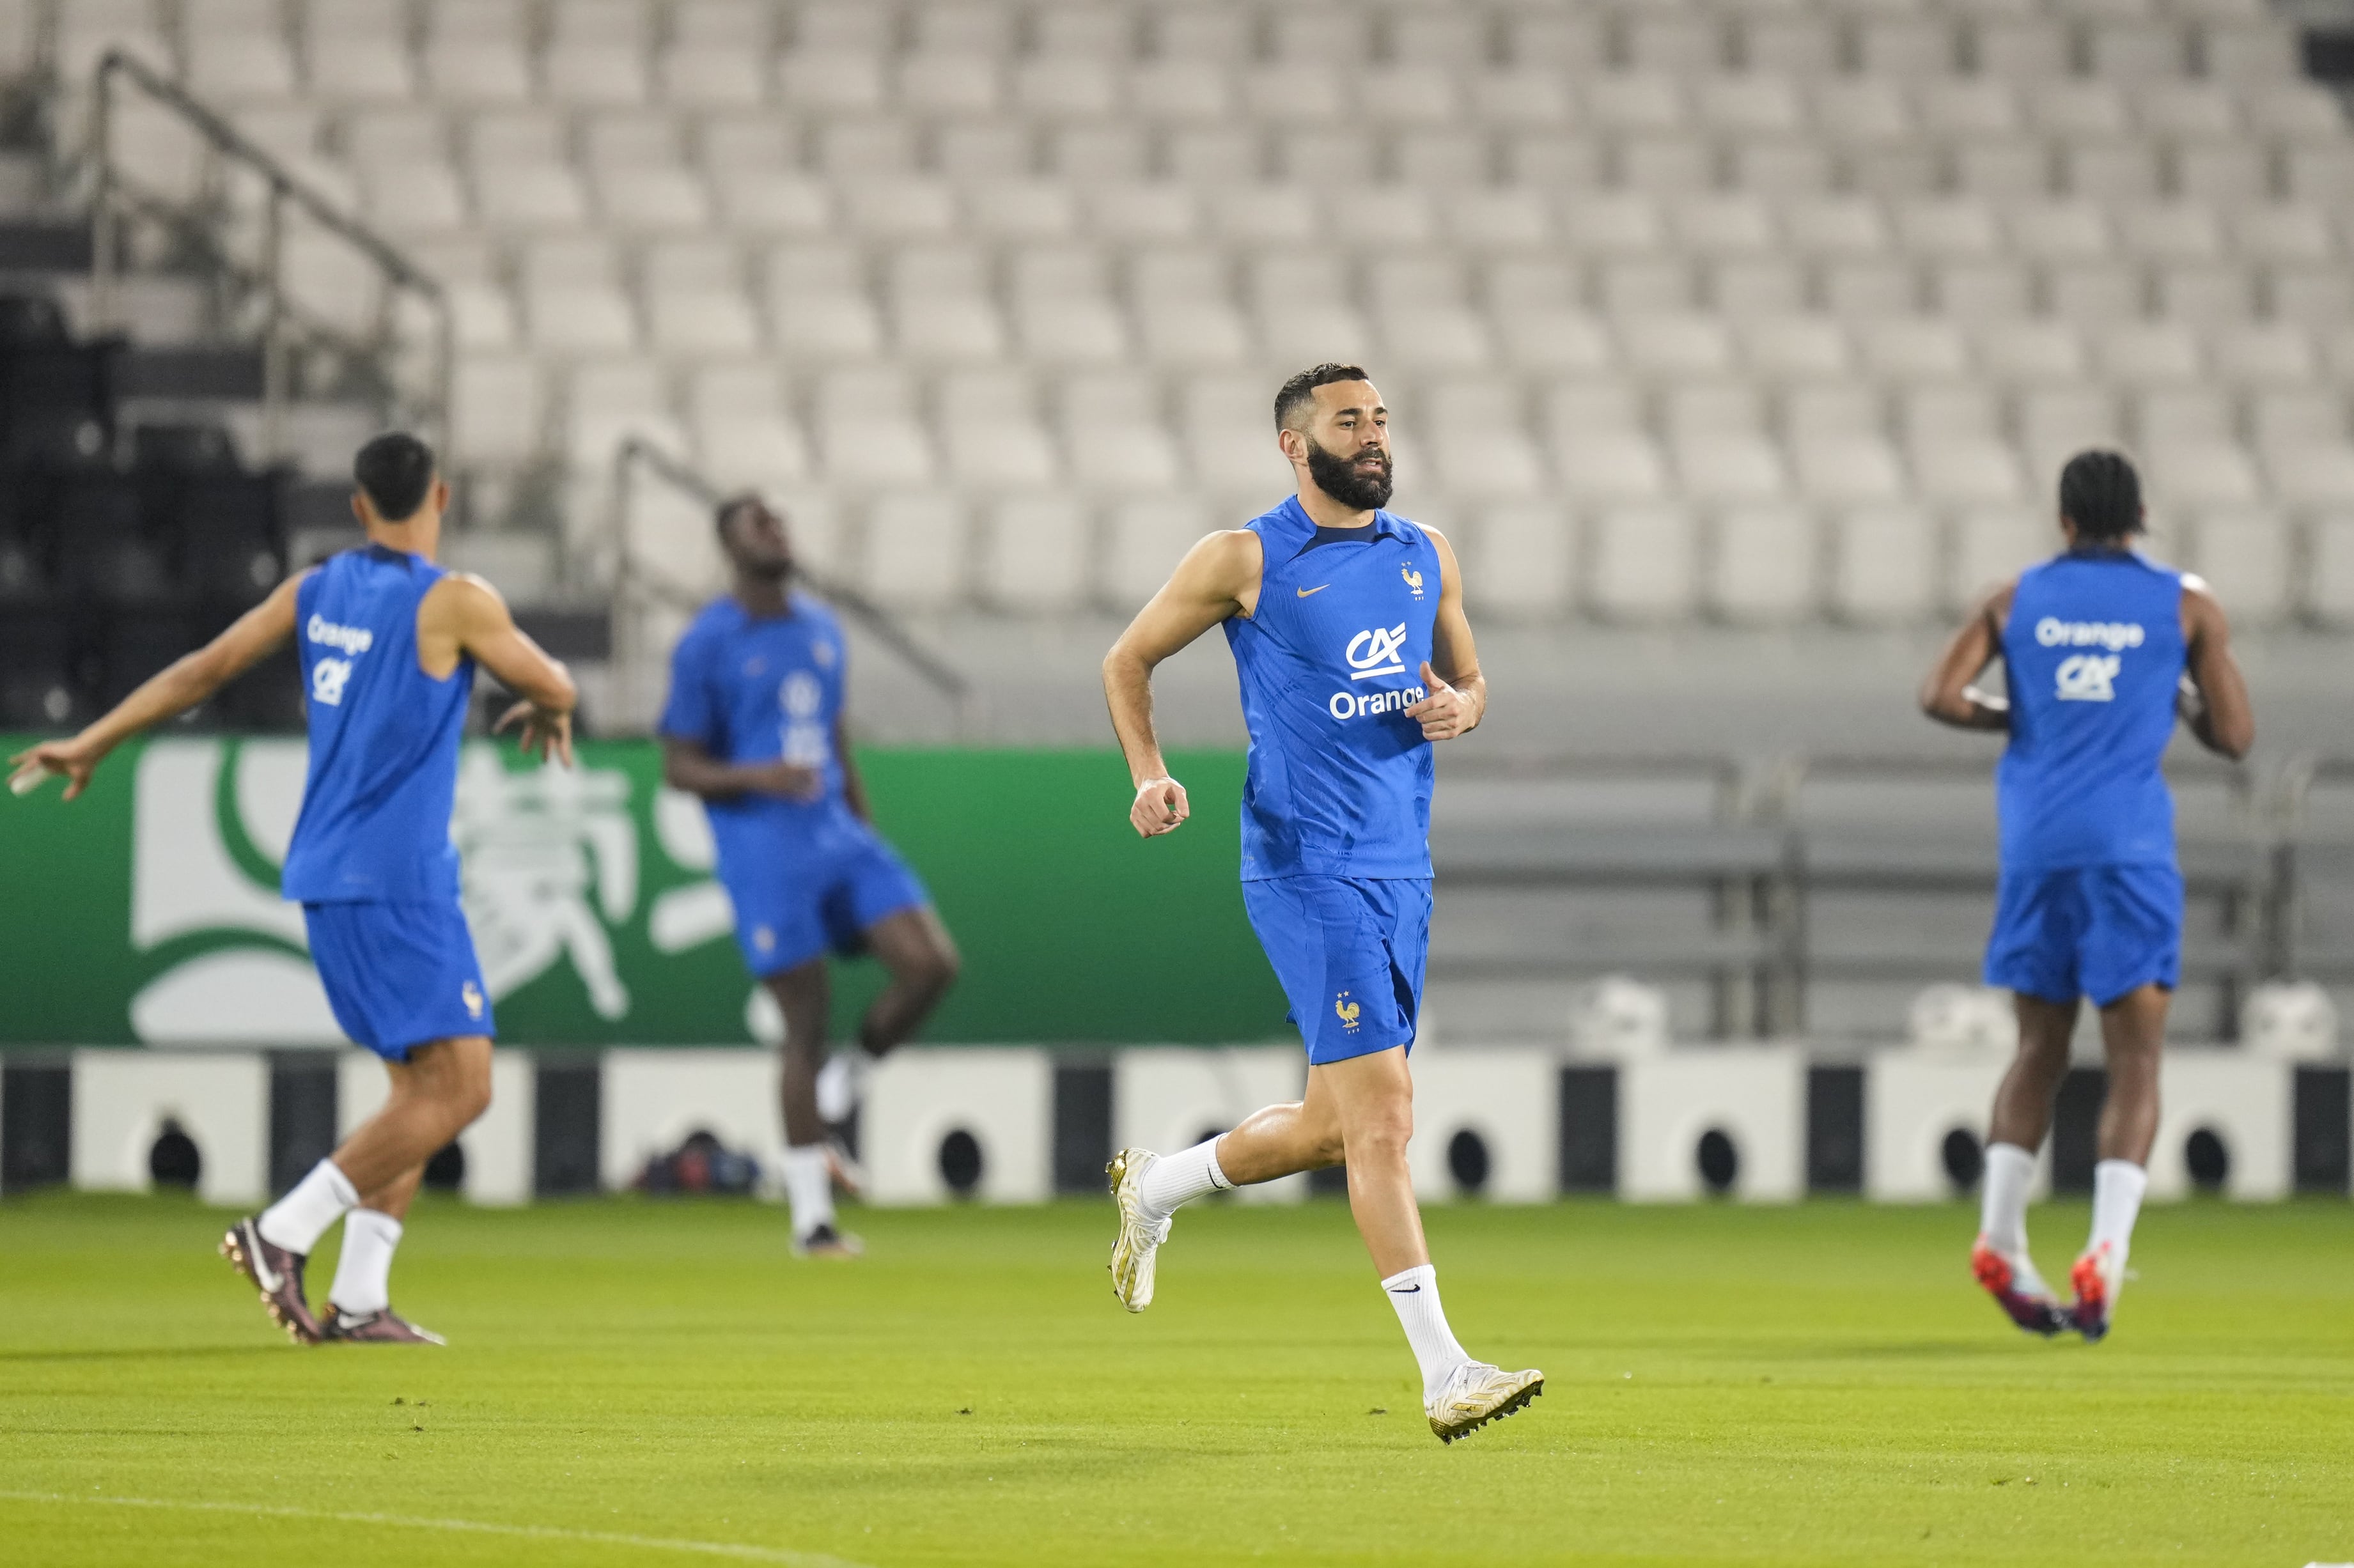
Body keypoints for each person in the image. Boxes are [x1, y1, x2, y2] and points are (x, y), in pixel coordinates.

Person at [9, 432, 577, 1345]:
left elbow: (204, 670)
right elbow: (552, 679)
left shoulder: (316, 590)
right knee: (464, 1089)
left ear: (358, 507)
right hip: (398, 880)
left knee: (417, 1089)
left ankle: (358, 1298)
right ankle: (282, 1231)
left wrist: (96, 738)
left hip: (330, 869)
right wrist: (550, 708)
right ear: (443, 495)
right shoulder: (455, 600)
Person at [1098, 364, 1541, 1443]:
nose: (1375, 437)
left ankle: (1157, 1185)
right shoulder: (1242, 557)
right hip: (1305, 863)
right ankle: (1445, 1373)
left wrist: (1460, 707)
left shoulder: (1422, 552)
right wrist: (1147, 773)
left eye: (1381, 419)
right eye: (1351, 422)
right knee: (1386, 1116)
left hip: (1400, 866)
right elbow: (1128, 658)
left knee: (1332, 1130)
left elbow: (1473, 681)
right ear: (1296, 446)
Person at [1920, 449, 2253, 1342]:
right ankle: (2103, 1250)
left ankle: (1998, 1235)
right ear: (2137, 516)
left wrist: (2016, 715)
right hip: (2129, 853)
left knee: (2037, 1048)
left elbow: (1939, 696)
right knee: (2136, 1060)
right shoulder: (2184, 603)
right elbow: (2234, 734)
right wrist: (2172, 698)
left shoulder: (2012, 597)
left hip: (2036, 847)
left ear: (2063, 520)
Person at [658, 495, 959, 1257]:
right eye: (758, 523)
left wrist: (861, 823)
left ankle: (843, 1085)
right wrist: (757, 773)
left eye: (781, 520)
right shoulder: (707, 642)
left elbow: (834, 734)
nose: (777, 530)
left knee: (930, 965)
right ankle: (810, 1219)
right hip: (764, 847)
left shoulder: (821, 629)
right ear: (728, 546)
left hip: (837, 834)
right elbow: (678, 766)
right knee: (804, 1019)